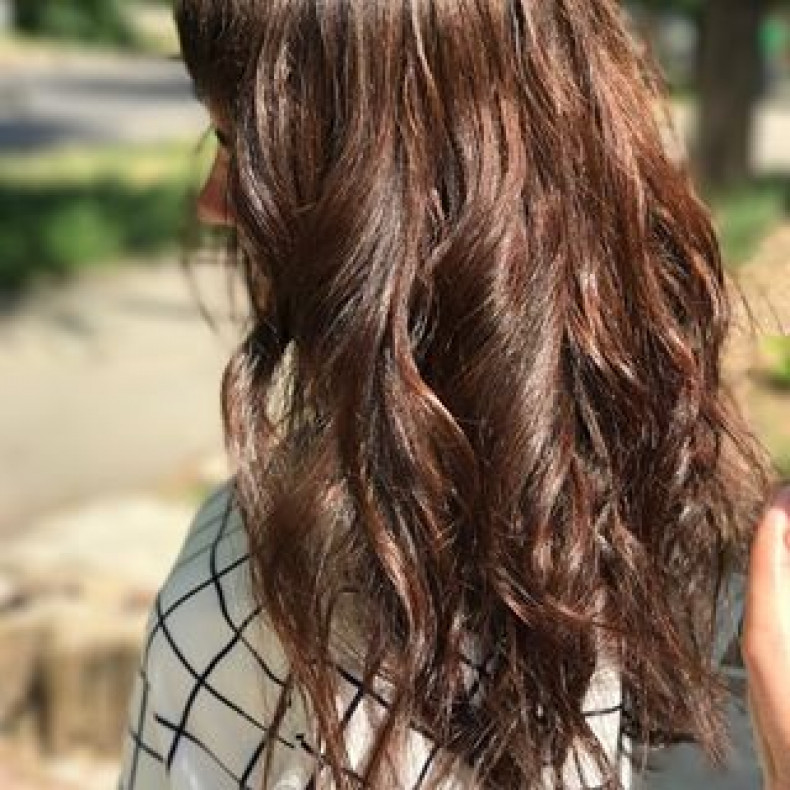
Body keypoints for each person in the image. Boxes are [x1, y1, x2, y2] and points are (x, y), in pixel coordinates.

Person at [117, 0, 787, 788]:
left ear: (381, 201)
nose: (212, 199)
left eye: (237, 144)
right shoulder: (695, 531)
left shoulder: (246, 611)